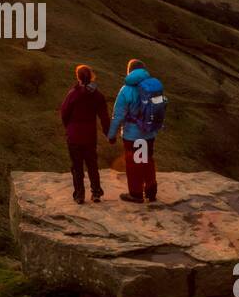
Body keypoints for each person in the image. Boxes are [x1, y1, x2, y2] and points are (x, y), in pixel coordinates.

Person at [107, 59, 163, 203]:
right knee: (147, 159)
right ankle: (151, 192)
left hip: (133, 135)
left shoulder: (126, 90)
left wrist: (112, 135)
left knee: (134, 164)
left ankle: (136, 194)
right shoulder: (152, 86)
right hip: (149, 132)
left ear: (129, 71)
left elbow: (118, 114)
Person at [59, 64, 110, 204]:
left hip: (74, 136)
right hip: (89, 136)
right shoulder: (97, 96)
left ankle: (79, 195)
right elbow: (104, 117)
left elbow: (64, 113)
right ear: (91, 76)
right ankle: (96, 193)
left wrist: (68, 128)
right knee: (92, 164)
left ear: (78, 77)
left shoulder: (73, 94)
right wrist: (108, 134)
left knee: (77, 167)